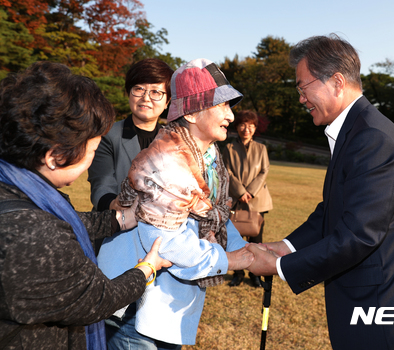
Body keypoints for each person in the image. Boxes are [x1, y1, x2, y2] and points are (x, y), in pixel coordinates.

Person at [246, 34, 394, 350]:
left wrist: (279, 267)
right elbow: (332, 210)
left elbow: (359, 235)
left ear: (336, 82)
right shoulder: (354, 129)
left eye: (303, 87)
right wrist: (286, 246)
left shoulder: (371, 136)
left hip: (388, 305)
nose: (301, 98)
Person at [0, 61, 171, 350]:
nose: (92, 157)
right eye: (91, 149)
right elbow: (97, 299)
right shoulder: (35, 236)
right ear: (56, 156)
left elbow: (67, 221)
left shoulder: (21, 191)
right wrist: (147, 269)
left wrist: (119, 219)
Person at [97, 58, 254, 349]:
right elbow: (167, 243)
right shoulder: (168, 161)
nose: (231, 116)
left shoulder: (208, 156)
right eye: (222, 105)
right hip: (136, 307)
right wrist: (232, 260)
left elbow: (214, 213)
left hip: (163, 307)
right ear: (193, 114)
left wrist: (247, 250)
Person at [88, 58, 174, 212]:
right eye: (139, 89)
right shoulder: (108, 136)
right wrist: (113, 204)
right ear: (129, 92)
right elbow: (101, 184)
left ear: (167, 101)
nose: (146, 98)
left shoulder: (173, 141)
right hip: (115, 225)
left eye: (155, 92)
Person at [222, 110, 273, 288]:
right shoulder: (228, 148)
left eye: (251, 125)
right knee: (236, 238)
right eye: (243, 125)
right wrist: (240, 191)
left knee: (256, 240)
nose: (247, 129)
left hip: (257, 200)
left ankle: (255, 274)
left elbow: (264, 171)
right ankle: (237, 273)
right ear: (237, 127)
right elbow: (226, 171)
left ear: (255, 128)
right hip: (236, 200)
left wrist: (250, 191)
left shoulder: (261, 148)